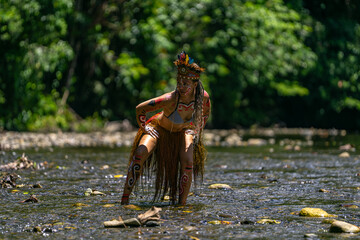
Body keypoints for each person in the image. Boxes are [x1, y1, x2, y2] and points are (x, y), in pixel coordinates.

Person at [121, 51, 211, 205]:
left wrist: (196, 131)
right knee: (140, 153)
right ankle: (125, 200)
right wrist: (144, 128)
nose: (181, 87)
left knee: (188, 162)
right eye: (179, 83)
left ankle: (181, 205)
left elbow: (205, 115)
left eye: (185, 84)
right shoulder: (170, 98)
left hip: (182, 131)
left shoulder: (203, 97)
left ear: (195, 84)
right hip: (159, 129)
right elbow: (140, 109)